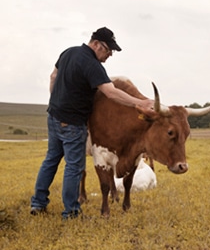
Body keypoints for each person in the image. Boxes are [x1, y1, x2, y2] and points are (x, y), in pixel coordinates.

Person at [30, 27, 156, 218]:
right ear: (96, 44)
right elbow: (111, 92)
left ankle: (38, 204)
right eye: (108, 50)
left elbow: (53, 76)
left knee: (51, 160)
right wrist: (142, 102)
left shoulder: (68, 52)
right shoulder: (92, 65)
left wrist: (56, 101)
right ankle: (71, 212)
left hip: (53, 116)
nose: (109, 55)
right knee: (74, 167)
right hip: (72, 122)